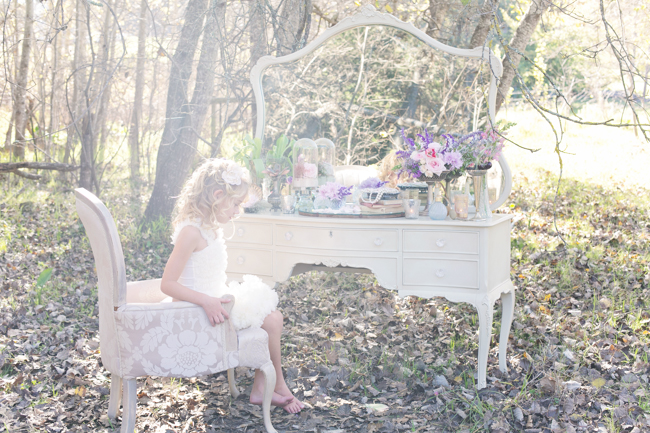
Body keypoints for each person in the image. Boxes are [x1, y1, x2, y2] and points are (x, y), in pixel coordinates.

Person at [160, 158, 304, 414]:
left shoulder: (209, 229)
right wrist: (206, 301)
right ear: (217, 196)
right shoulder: (191, 232)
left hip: (213, 301)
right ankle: (274, 386)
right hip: (197, 312)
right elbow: (168, 284)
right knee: (272, 320)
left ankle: (267, 385)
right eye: (235, 204)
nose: (238, 211)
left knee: (271, 315)